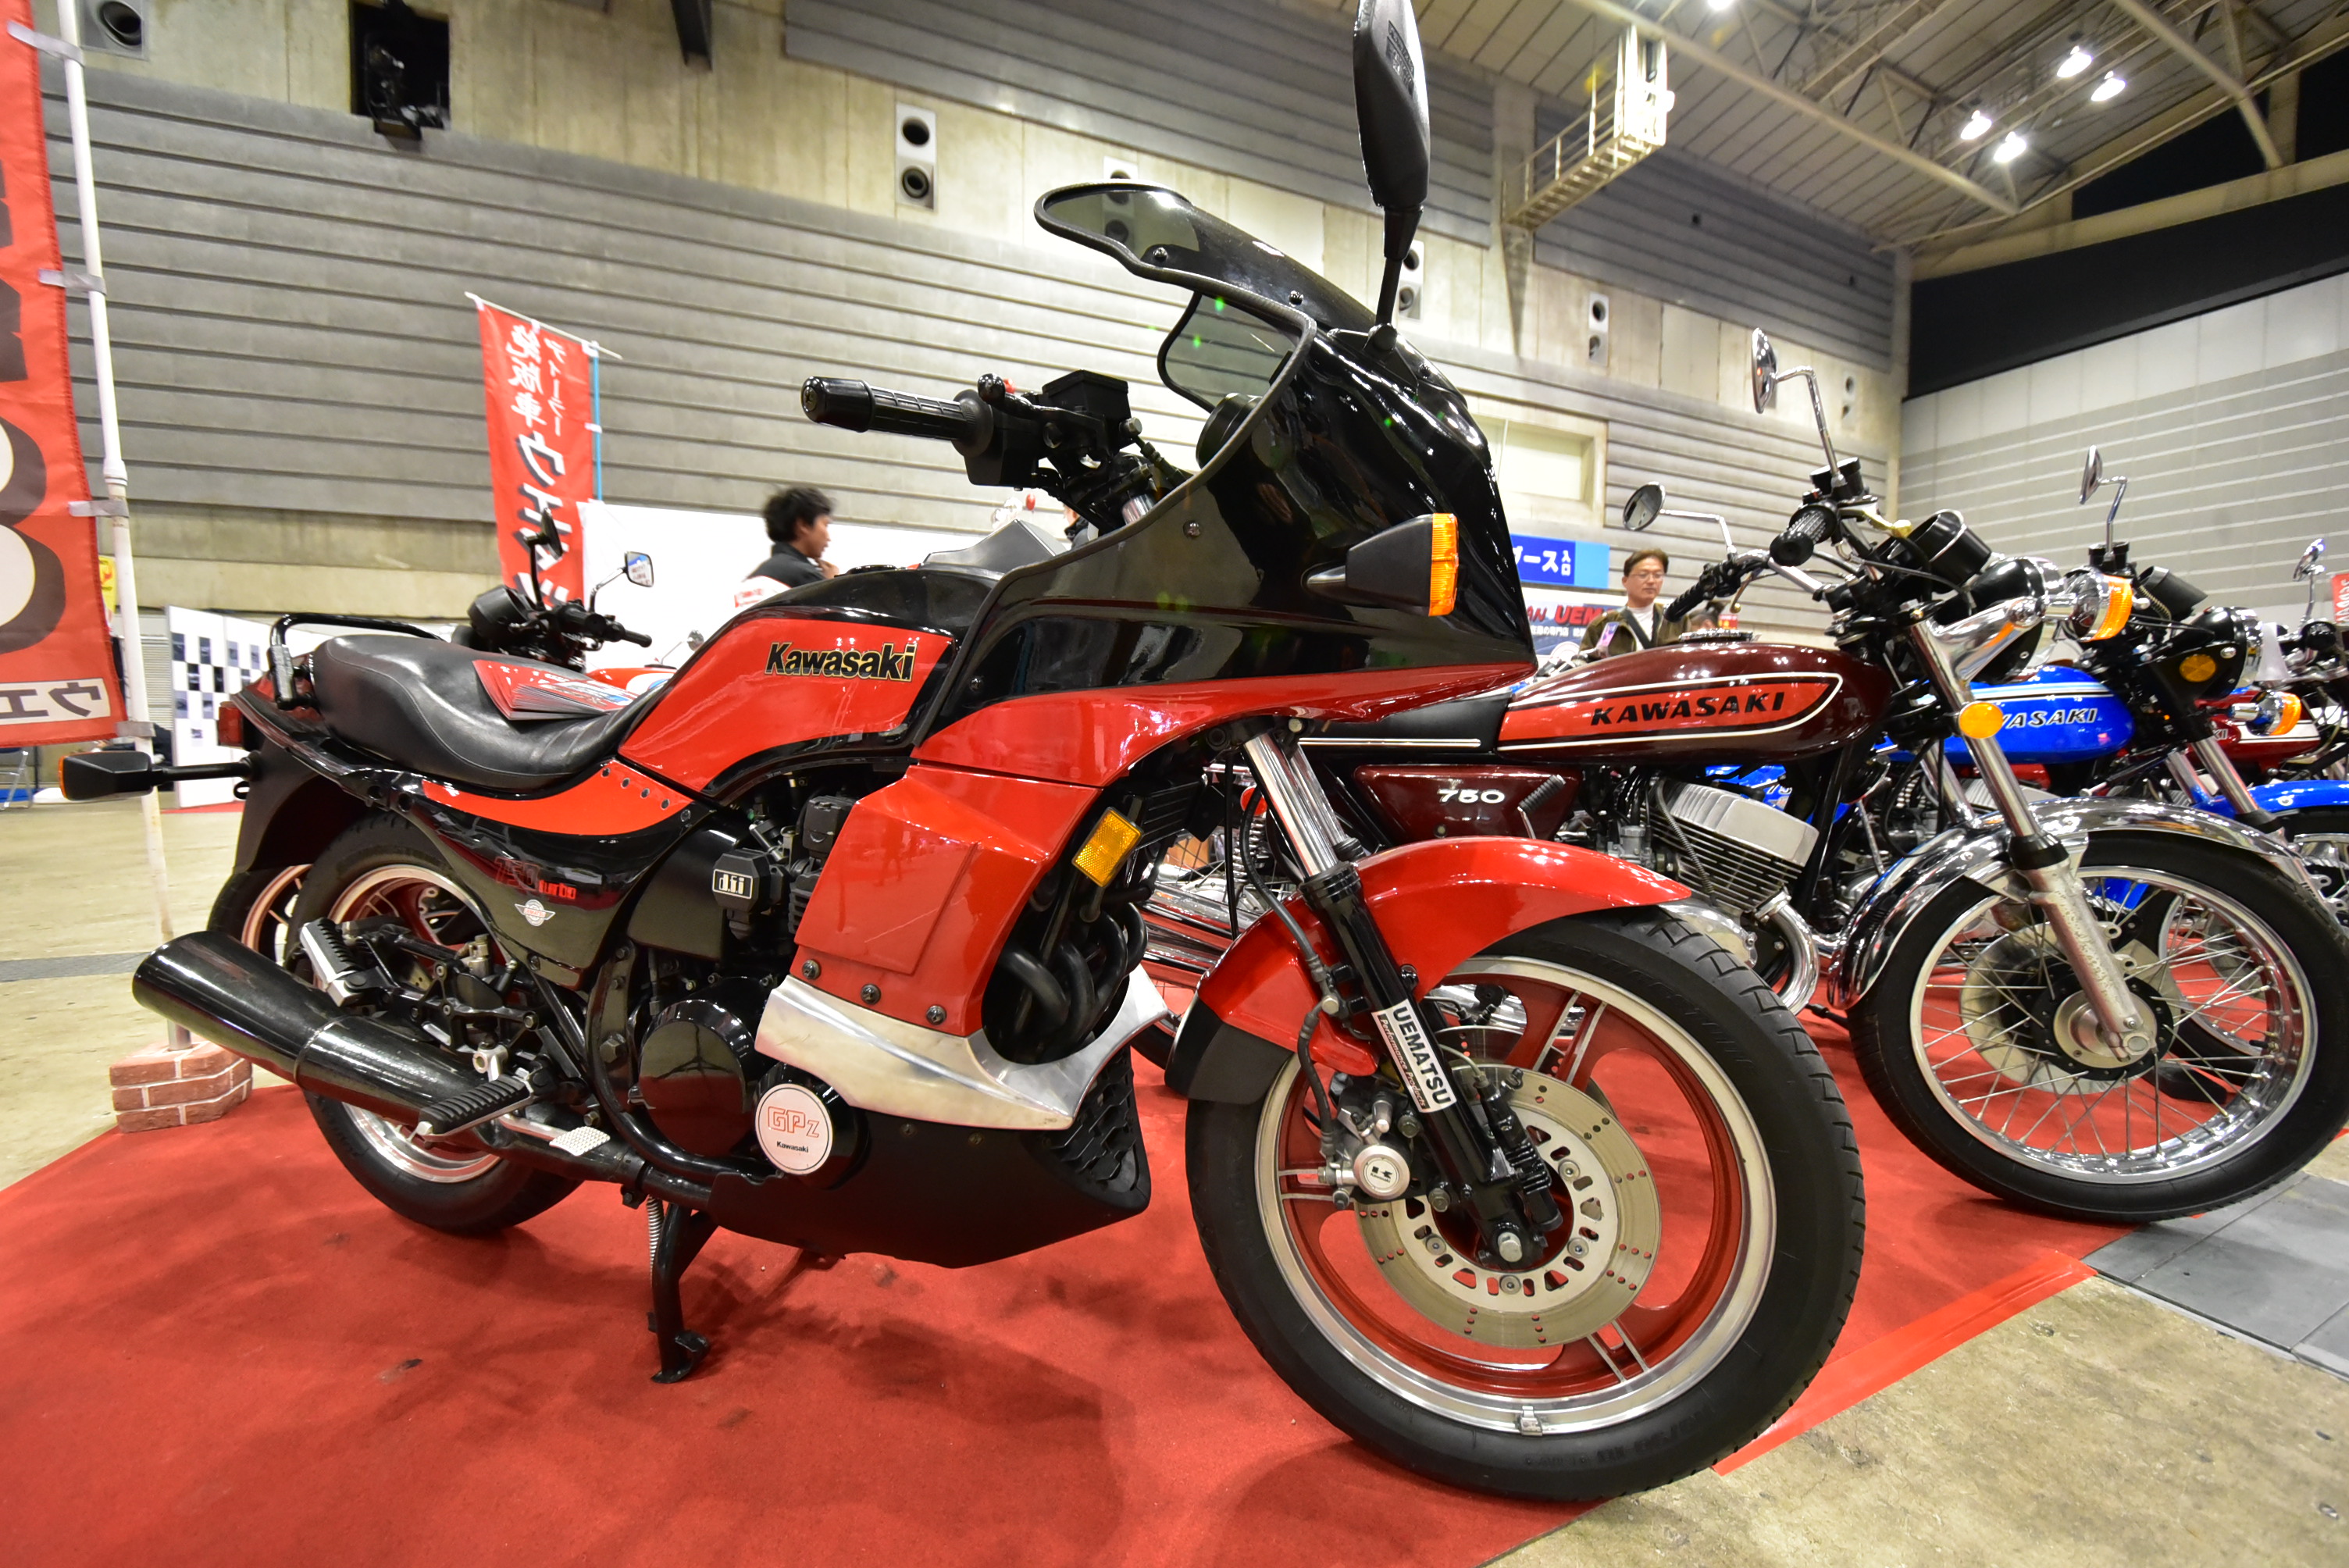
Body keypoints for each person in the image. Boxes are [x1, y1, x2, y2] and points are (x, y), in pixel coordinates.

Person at [1579, 547, 1682, 660]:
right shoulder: (1603, 625)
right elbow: (1584, 664)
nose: (1651, 581)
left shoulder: (1676, 619)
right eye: (1643, 575)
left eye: (1657, 575)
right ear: (1625, 581)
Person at [751, 486, 836, 589]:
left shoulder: (755, 576)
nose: (828, 538)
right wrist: (832, 584)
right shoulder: (805, 575)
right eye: (825, 525)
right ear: (804, 525)